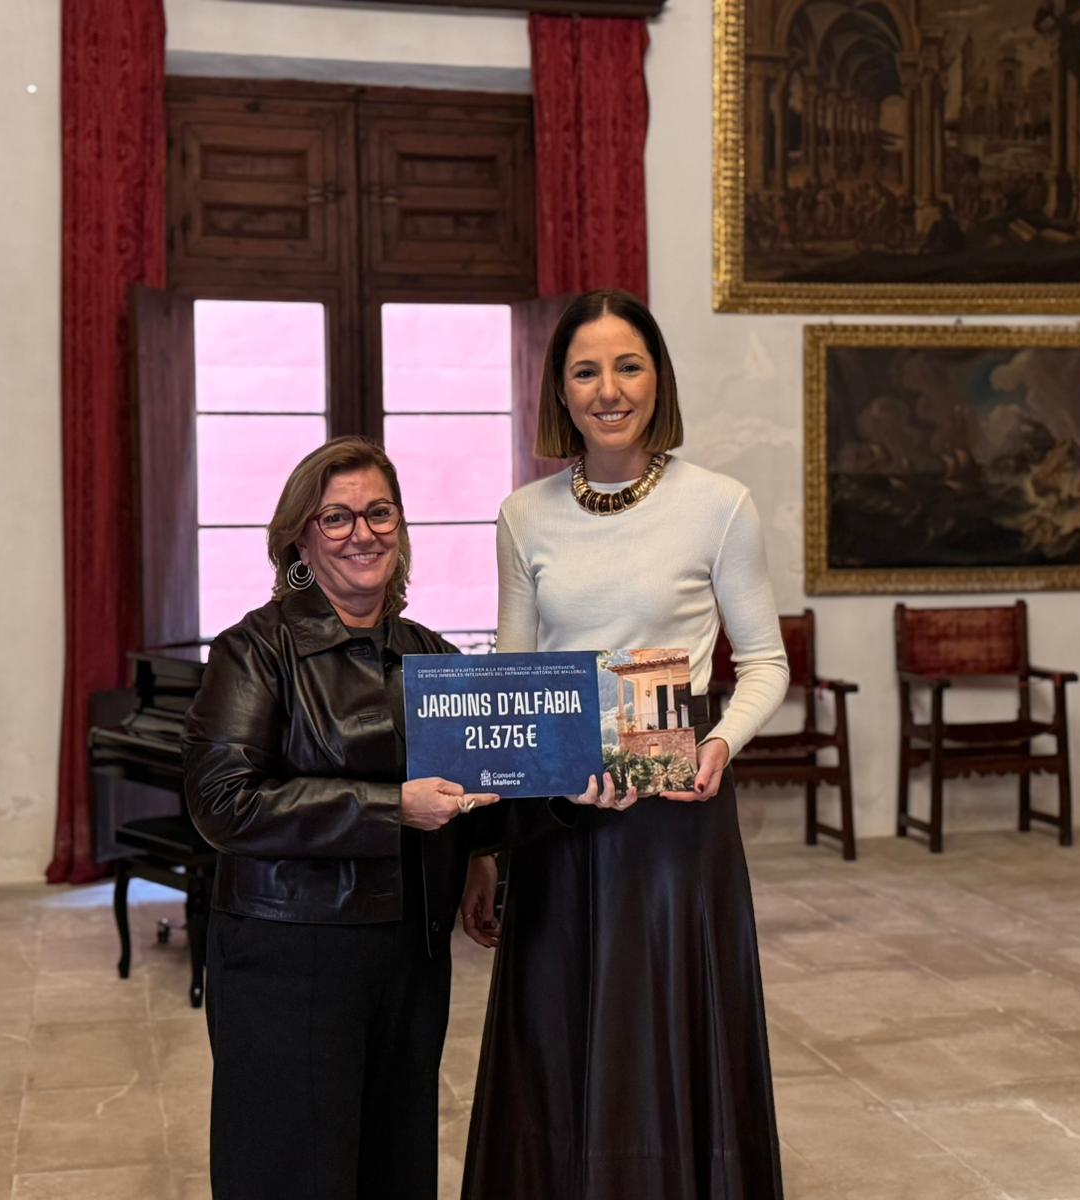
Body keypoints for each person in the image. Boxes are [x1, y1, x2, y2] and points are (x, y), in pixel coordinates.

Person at [459, 290, 791, 1199]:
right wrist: (487, 844)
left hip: (675, 820)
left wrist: (720, 743)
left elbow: (764, 663)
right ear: (560, 393)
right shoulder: (524, 514)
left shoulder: (720, 506)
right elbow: (512, 675)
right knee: (558, 1024)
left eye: (628, 365)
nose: (609, 389)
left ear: (658, 378)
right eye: (585, 370)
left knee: (660, 1024)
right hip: (559, 817)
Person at [183, 436, 502, 1200]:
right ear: (299, 536)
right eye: (337, 518)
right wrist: (394, 809)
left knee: (396, 1167)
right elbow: (222, 802)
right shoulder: (254, 651)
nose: (364, 533)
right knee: (293, 1172)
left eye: (379, 512)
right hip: (290, 957)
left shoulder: (433, 656)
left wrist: (483, 855)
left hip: (410, 958)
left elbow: (474, 784)